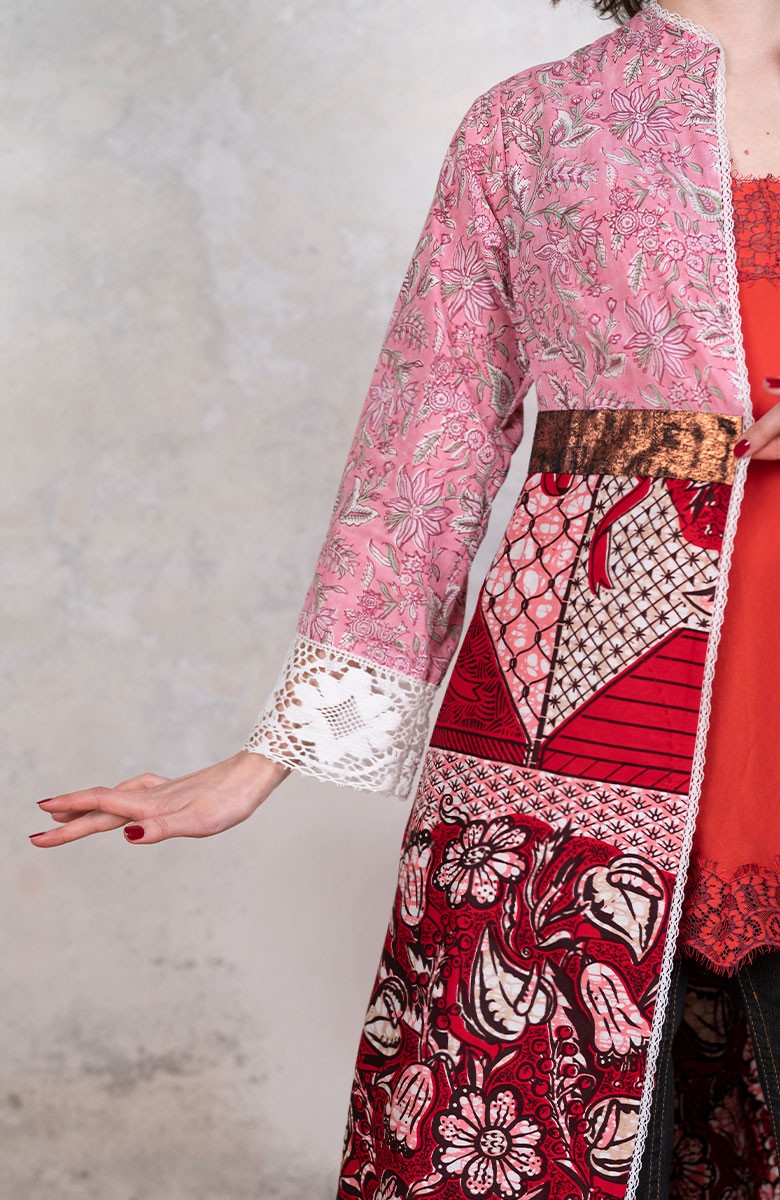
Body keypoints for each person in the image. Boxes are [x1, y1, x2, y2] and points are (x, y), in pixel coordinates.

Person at [28, 1, 780, 1197]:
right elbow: (428, 444)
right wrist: (271, 754)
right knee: (532, 1126)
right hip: (575, 714)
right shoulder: (530, 125)